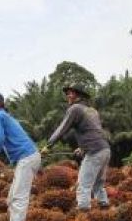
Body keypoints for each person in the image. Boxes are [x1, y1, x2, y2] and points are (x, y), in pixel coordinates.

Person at [41, 82, 112, 210]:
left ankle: (83, 216)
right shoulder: (92, 110)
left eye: (70, 93)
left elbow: (62, 128)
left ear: (78, 96)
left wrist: (48, 146)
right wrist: (82, 148)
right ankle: (105, 211)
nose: (68, 95)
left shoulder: (75, 109)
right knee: (98, 185)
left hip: (95, 151)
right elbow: (95, 131)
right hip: (105, 149)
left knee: (83, 184)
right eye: (67, 93)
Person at [0, 91, 41, 221]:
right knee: (11, 198)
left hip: (27, 158)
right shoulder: (8, 117)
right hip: (30, 156)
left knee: (18, 197)